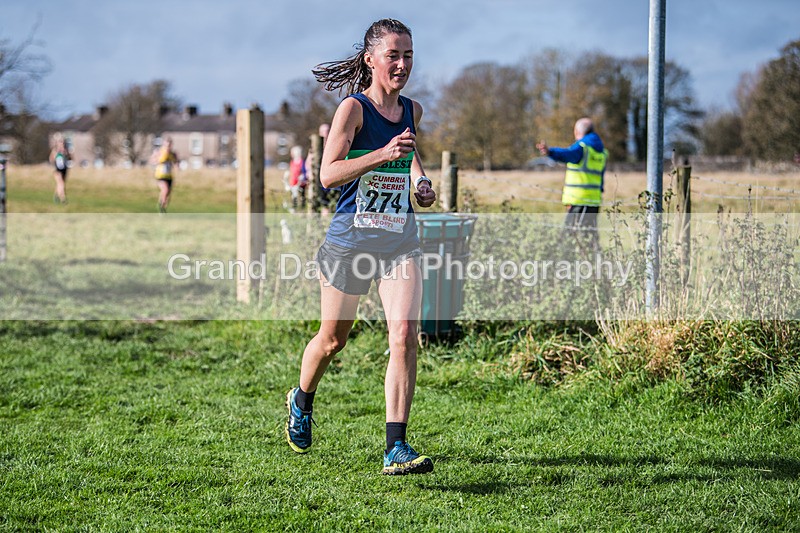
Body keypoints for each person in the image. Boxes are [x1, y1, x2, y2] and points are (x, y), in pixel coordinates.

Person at [284, 18, 437, 476]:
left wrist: (421, 181)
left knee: (405, 336)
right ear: (371, 59)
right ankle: (301, 399)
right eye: (394, 55)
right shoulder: (352, 109)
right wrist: (380, 155)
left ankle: (397, 446)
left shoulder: (413, 110)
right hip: (351, 240)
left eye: (408, 55)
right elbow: (328, 175)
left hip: (399, 240)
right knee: (333, 340)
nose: (403, 64)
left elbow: (409, 157)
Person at [536, 117, 608, 249]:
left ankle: (563, 262)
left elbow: (568, 154)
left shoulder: (583, 148)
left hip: (579, 201)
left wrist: (550, 152)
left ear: (577, 131)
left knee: (568, 236)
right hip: (594, 200)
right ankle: (596, 264)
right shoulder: (601, 152)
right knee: (590, 236)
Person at [152, 138, 178, 213]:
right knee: (165, 189)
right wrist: (157, 160)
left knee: (168, 194)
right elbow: (153, 160)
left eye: (169, 145)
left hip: (169, 176)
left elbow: (175, 162)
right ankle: (160, 206)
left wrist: (176, 165)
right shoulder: (159, 152)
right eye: (166, 145)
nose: (168, 147)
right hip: (160, 175)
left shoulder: (172, 154)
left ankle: (163, 208)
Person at [49, 137, 71, 204]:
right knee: (61, 184)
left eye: (63, 143)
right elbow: (51, 159)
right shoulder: (55, 150)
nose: (62, 145)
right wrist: (55, 157)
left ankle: (56, 196)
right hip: (57, 170)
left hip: (64, 170)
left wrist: (66, 154)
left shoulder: (66, 151)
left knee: (60, 184)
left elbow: (70, 158)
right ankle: (63, 199)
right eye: (60, 143)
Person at [287, 145, 308, 211]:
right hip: (293, 182)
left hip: (301, 182)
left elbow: (304, 171)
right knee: (294, 196)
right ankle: (294, 207)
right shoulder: (292, 162)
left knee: (302, 195)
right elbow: (291, 171)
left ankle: (302, 208)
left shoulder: (302, 162)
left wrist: (303, 177)